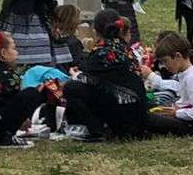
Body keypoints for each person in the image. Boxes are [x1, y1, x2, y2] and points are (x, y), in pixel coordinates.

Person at [61, 9, 151, 140]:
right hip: (138, 113)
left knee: (72, 88)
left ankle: (96, 129)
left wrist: (75, 75)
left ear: (96, 30)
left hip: (119, 116)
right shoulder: (126, 50)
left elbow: (87, 79)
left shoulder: (100, 52)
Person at [148, 31, 193, 134]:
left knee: (151, 120)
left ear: (178, 56)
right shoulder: (184, 74)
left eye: (166, 61)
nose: (164, 66)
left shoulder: (192, 78)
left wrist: (176, 113)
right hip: (186, 116)